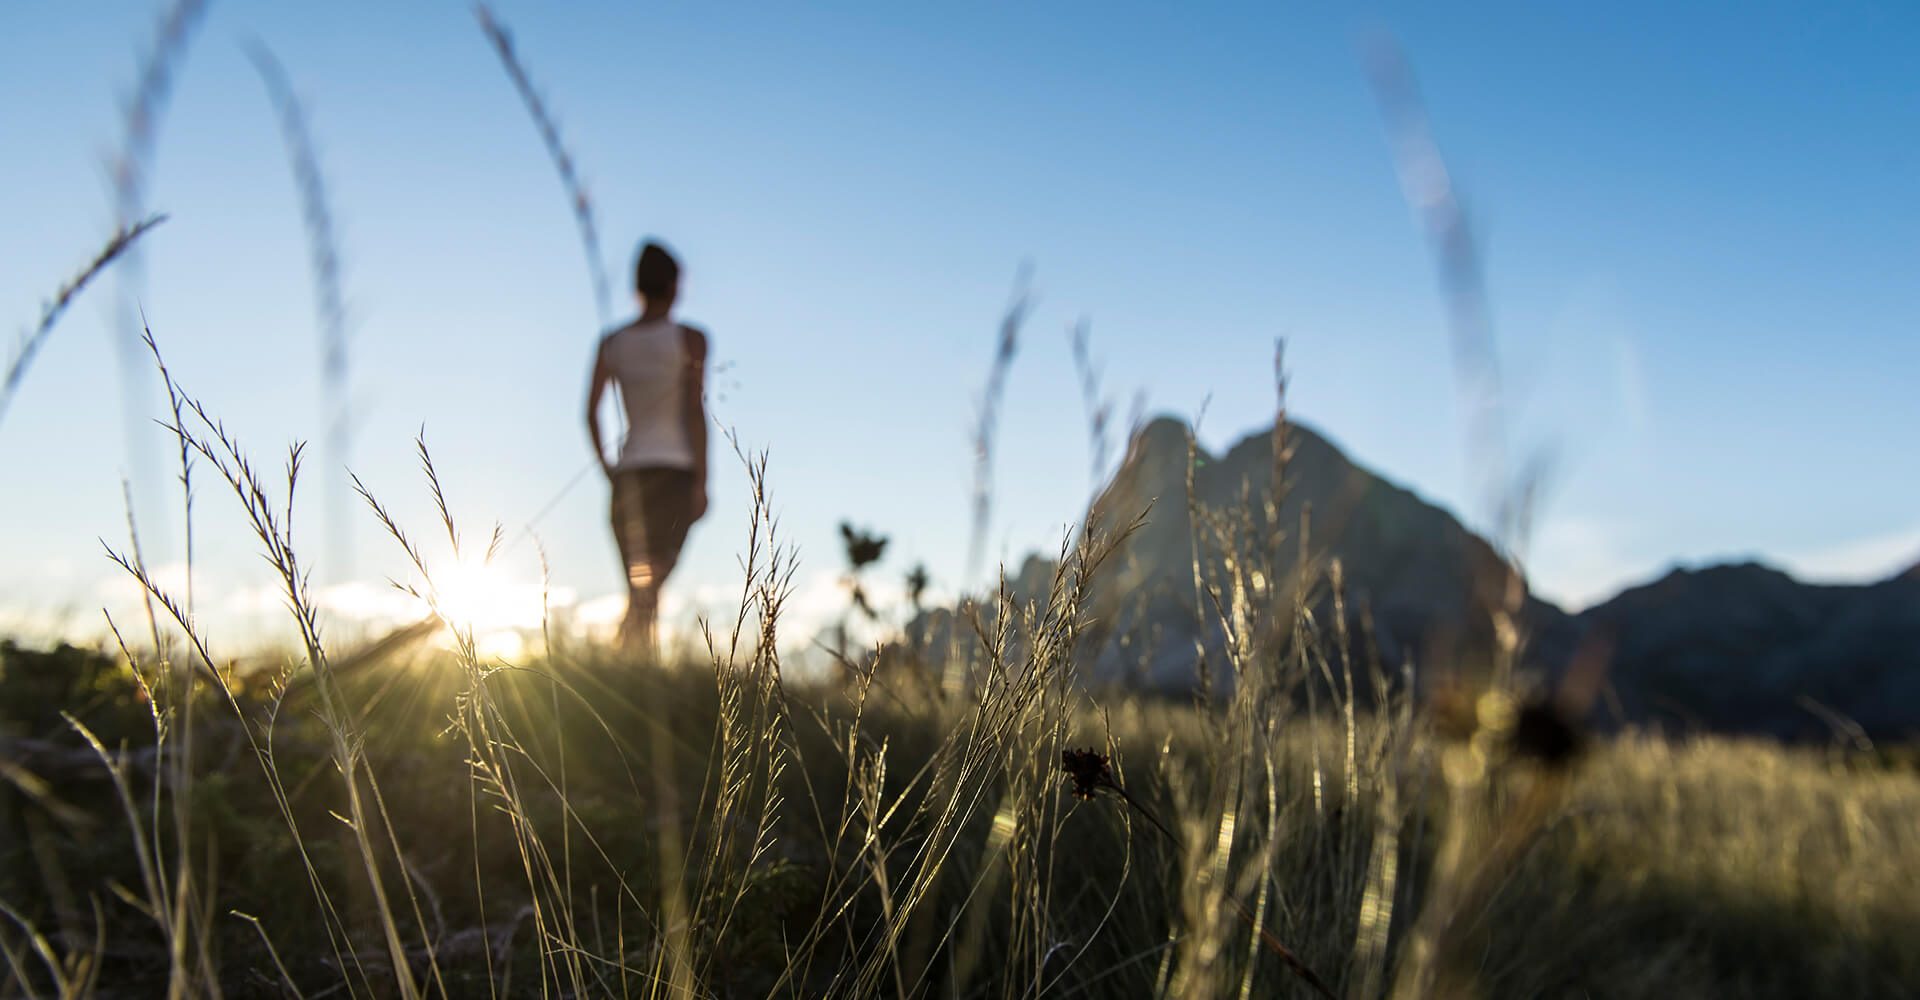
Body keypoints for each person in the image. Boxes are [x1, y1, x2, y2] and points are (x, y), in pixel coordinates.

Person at [586, 240, 709, 653]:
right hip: (675, 476)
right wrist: (702, 482)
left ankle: (628, 666)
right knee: (649, 585)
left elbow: (590, 412)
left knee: (643, 587)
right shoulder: (691, 339)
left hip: (630, 477)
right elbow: (694, 412)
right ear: (674, 285)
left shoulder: (612, 342)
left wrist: (609, 469)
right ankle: (634, 669)